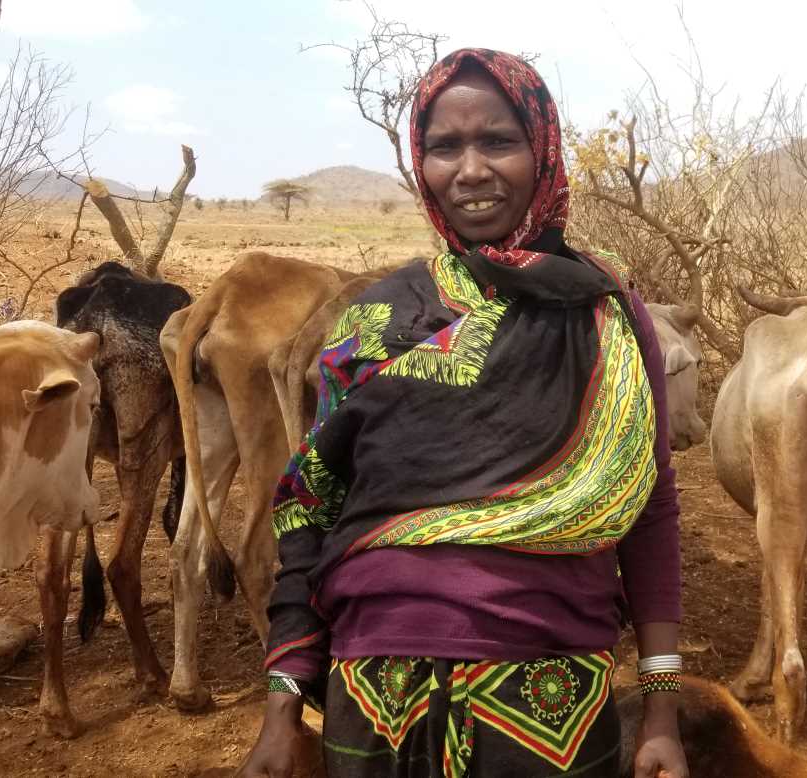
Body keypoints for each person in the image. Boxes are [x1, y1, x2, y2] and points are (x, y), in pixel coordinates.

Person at [240, 48, 690, 778]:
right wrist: (282, 703)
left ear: (541, 151)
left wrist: (661, 705)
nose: (472, 170)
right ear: (422, 165)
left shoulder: (605, 314)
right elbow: (309, 510)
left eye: (499, 142)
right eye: (445, 147)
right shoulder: (377, 317)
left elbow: (652, 507)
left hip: (550, 707)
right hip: (372, 701)